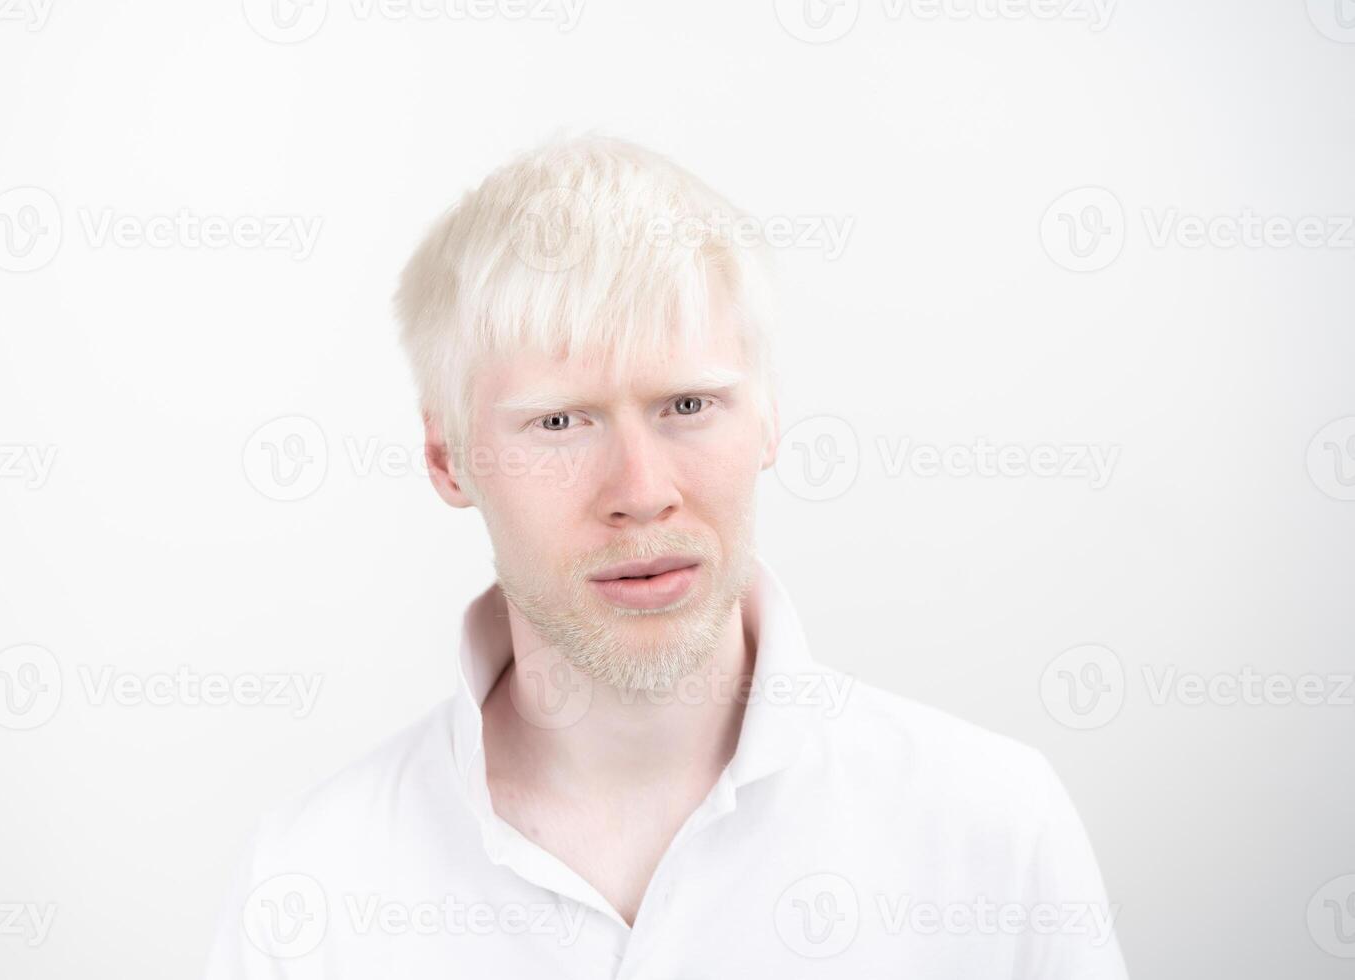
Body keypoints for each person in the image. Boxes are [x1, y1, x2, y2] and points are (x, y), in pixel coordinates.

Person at [204, 134, 1129, 979]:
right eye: (561, 423)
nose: (642, 491)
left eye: (688, 405)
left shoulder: (990, 833)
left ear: (768, 417)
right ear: (447, 457)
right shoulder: (308, 888)